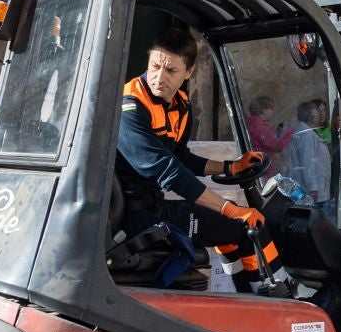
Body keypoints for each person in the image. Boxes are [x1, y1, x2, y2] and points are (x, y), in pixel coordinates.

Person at [116, 24, 283, 286]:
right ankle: (279, 296)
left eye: (171, 70)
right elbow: (169, 172)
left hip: (153, 207)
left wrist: (229, 168)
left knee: (230, 231)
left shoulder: (181, 105)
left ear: (188, 72)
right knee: (248, 227)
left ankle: (246, 300)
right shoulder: (130, 105)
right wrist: (229, 209)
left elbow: (180, 156)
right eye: (155, 66)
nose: (160, 77)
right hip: (134, 214)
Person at [284, 98, 333, 209]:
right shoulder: (306, 134)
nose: (319, 116)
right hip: (313, 192)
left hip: (309, 187)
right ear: (311, 117)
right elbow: (308, 162)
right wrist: (313, 188)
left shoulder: (304, 131)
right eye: (316, 113)